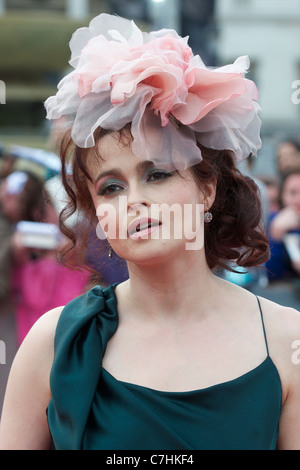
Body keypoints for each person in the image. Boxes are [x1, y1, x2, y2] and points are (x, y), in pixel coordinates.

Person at [0, 14, 299, 451]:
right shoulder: (55, 341)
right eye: (111, 187)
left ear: (207, 189)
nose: (133, 200)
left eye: (157, 174)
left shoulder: (288, 340)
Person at [266, 168, 300, 280]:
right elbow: (270, 274)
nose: (298, 199)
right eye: (293, 192)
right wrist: (276, 235)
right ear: (282, 196)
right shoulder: (272, 220)